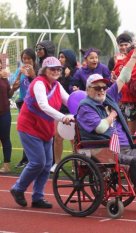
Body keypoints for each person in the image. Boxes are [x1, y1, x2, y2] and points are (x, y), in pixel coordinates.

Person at [77, 33, 136, 188]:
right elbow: (101, 127)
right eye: (97, 87)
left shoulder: (109, 96)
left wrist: (135, 52)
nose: (102, 90)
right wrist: (112, 116)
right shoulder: (86, 106)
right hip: (104, 149)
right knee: (133, 161)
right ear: (88, 89)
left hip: (126, 146)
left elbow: (124, 76)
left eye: (103, 87)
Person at [10, 57, 73, 208]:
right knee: (38, 162)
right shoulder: (39, 83)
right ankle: (18, 188)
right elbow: (43, 105)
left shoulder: (57, 85)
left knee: (46, 165)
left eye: (58, 69)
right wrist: (62, 117)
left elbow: (70, 101)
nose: (56, 71)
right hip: (29, 127)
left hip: (45, 129)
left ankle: (37, 197)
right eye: (52, 69)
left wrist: (85, 110)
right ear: (44, 70)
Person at [51, 49, 78, 173]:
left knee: (74, 139)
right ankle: (57, 163)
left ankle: (75, 164)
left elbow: (73, 91)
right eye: (59, 57)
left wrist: (69, 76)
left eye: (63, 57)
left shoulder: (76, 72)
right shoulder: (58, 73)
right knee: (58, 137)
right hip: (60, 110)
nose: (60, 59)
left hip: (72, 109)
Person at [13, 48, 38, 168]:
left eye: (28, 58)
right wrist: (19, 73)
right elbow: (14, 85)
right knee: (24, 131)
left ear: (33, 59)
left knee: (35, 132)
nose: (26, 61)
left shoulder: (38, 70)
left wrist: (32, 74)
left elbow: (39, 83)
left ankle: (34, 158)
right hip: (23, 103)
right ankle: (25, 158)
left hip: (35, 105)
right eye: (24, 59)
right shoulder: (20, 70)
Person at [112, 33, 136, 134]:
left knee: (132, 133)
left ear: (131, 45)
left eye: (126, 45)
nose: (123, 47)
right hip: (121, 101)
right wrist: (114, 79)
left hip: (132, 100)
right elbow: (117, 80)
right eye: (121, 45)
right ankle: (124, 150)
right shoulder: (119, 61)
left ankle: (133, 150)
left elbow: (134, 78)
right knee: (121, 132)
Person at [0, 59, 19, 173]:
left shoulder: (4, 78)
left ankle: (7, 165)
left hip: (4, 114)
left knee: (5, 139)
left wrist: (14, 89)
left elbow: (8, 95)